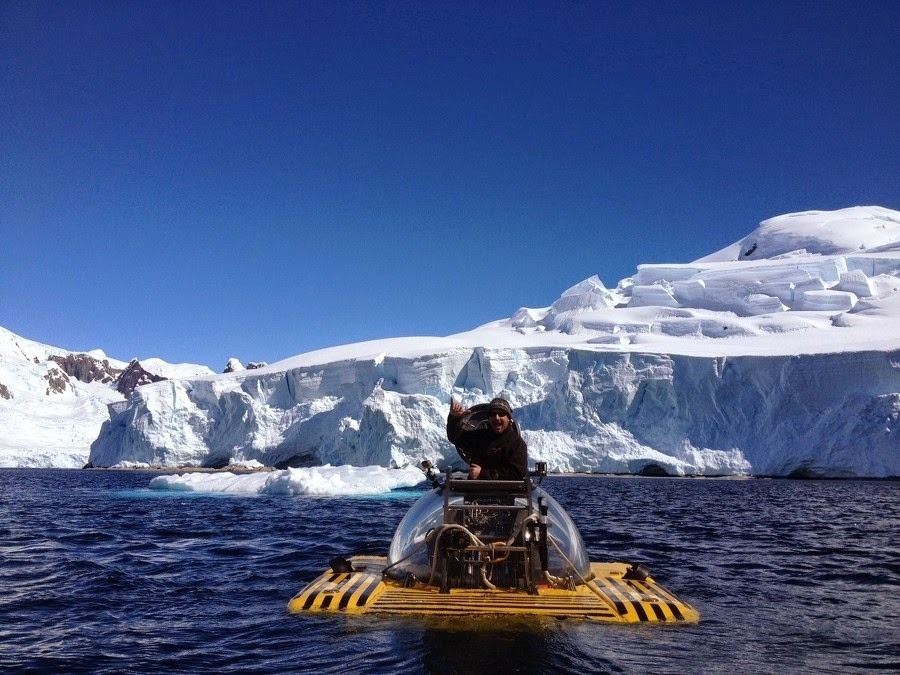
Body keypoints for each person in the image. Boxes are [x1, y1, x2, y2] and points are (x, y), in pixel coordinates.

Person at [446, 397, 528, 480]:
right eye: (493, 414)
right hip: (475, 491)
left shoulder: (517, 443)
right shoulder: (479, 437)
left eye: (501, 413)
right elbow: (455, 437)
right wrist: (454, 418)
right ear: (488, 418)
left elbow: (517, 474)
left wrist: (482, 474)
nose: (496, 417)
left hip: (507, 492)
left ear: (509, 418)